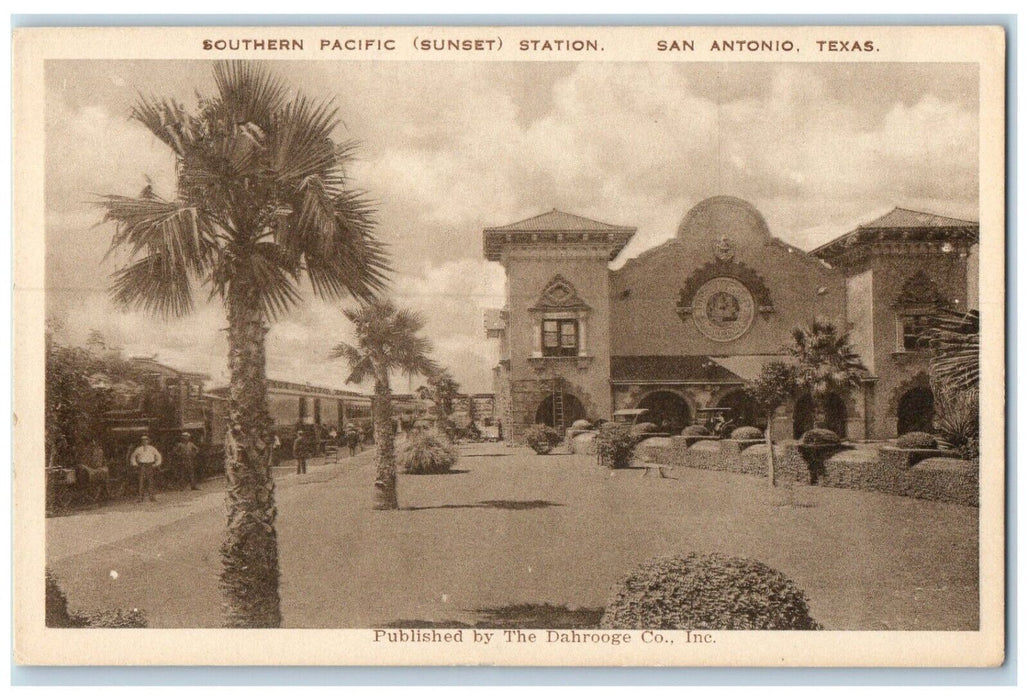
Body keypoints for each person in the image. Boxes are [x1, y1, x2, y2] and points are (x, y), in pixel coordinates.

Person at [131, 434, 162, 502]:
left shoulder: (152, 448)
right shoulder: (138, 449)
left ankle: (152, 497)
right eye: (143, 440)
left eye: (146, 440)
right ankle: (140, 498)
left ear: (148, 441)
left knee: (150, 481)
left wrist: (156, 464)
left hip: (150, 465)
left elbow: (158, 456)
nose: (144, 441)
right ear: (141, 442)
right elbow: (133, 456)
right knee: (141, 482)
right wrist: (135, 464)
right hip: (142, 466)